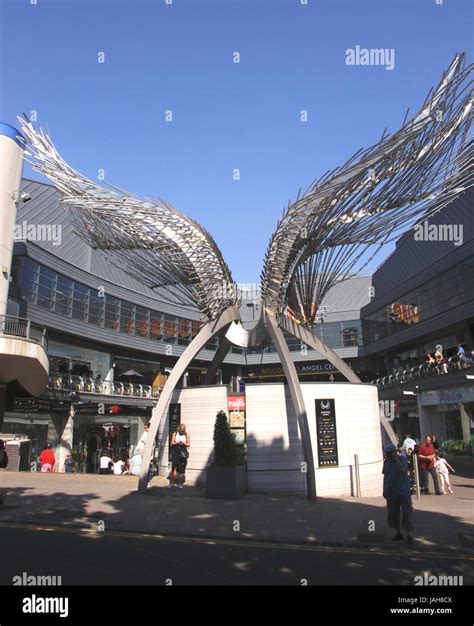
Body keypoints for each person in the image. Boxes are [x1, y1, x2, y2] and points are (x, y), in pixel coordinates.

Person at [382, 443, 414, 545]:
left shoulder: (402, 459)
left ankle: (409, 534)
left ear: (394, 452)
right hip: (391, 492)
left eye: (390, 453)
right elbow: (385, 476)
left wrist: (396, 460)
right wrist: (385, 489)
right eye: (387, 453)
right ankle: (398, 532)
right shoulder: (386, 462)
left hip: (404, 491)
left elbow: (404, 471)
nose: (388, 455)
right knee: (393, 514)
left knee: (406, 514)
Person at [168, 424, 190, 489]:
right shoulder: (175, 433)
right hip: (176, 452)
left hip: (183, 453)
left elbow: (189, 444)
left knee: (181, 469)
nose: (182, 432)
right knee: (173, 468)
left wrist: (183, 443)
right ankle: (171, 483)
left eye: (183, 431)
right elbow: (172, 442)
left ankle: (180, 483)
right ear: (179, 429)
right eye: (181, 430)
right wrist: (177, 443)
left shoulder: (186, 434)